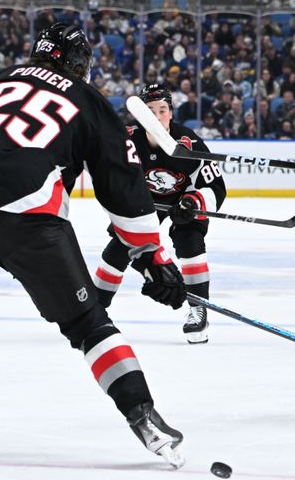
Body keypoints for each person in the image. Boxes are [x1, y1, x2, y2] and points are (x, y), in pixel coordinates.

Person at [0, 23, 187, 468]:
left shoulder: (0, 78)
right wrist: (152, 256)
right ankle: (144, 418)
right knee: (88, 324)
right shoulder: (87, 99)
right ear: (80, 64)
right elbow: (121, 185)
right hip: (27, 221)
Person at [93, 84, 227, 345]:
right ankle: (94, 308)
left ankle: (198, 309)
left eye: (162, 110)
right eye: (150, 111)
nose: (156, 116)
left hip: (183, 200)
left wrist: (193, 201)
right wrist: (128, 205)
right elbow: (111, 179)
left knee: (190, 241)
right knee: (120, 246)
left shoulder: (190, 143)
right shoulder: (127, 141)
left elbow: (215, 188)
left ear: (171, 113)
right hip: (144, 200)